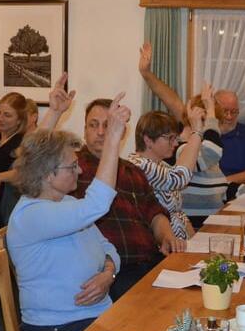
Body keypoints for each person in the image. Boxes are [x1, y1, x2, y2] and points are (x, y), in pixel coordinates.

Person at [7, 94, 127, 331]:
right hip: (57, 330)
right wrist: (113, 137)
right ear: (48, 174)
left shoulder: (67, 203)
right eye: (72, 166)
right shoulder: (31, 216)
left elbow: (107, 247)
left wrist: (108, 274)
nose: (80, 169)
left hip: (92, 318)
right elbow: (98, 203)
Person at [40, 80, 181, 300]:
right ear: (84, 130)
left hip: (149, 261)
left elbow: (154, 213)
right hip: (106, 269)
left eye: (107, 125)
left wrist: (167, 236)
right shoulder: (71, 169)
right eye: (93, 125)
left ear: (121, 132)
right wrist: (54, 113)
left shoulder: (133, 171)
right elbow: (34, 160)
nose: (100, 132)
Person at [138, 42, 245, 186]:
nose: (229, 116)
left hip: (226, 192)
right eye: (225, 111)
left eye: (234, 111)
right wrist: (146, 74)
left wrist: (223, 184)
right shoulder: (191, 135)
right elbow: (172, 101)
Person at [127, 107, 204, 240]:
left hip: (180, 245)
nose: (176, 143)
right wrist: (196, 132)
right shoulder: (139, 165)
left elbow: (178, 213)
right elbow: (179, 178)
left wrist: (194, 242)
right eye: (170, 138)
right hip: (160, 246)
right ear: (148, 140)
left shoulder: (161, 164)